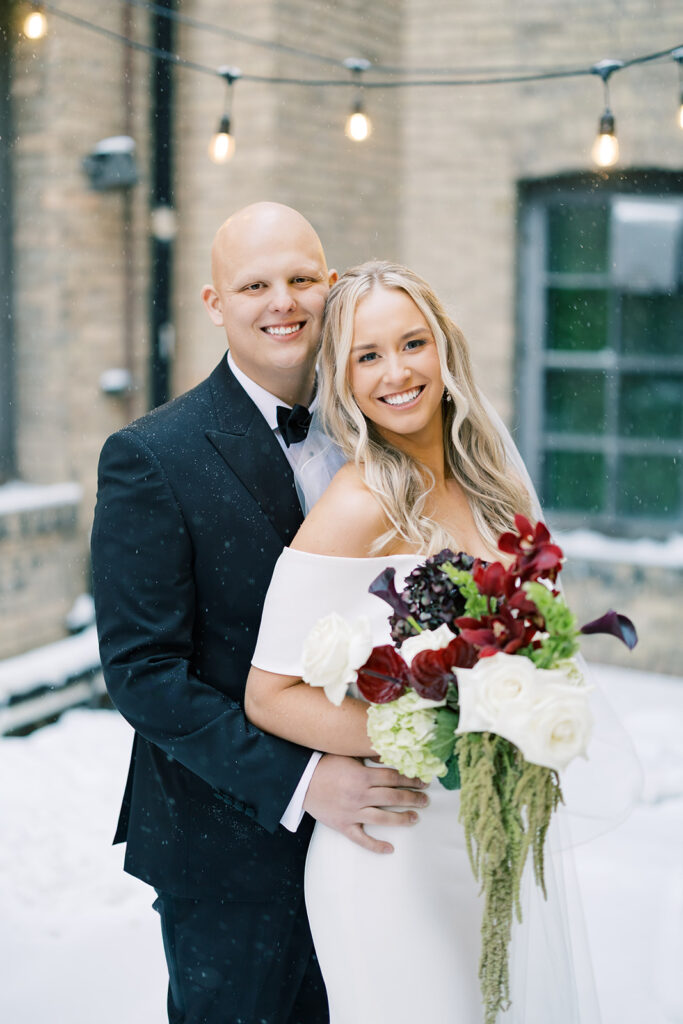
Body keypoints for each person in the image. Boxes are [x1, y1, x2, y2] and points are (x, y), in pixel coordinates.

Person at [245, 261, 618, 1022]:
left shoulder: (494, 489)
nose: (397, 372)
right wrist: (425, 735)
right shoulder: (355, 503)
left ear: (444, 350)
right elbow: (267, 693)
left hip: (487, 833)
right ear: (342, 380)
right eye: (367, 356)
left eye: (411, 343)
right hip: (394, 852)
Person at [90, 207, 429, 1024]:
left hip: (392, 842)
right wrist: (306, 781)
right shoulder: (150, 456)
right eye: (254, 285)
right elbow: (144, 674)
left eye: (301, 279)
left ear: (331, 283)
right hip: (227, 852)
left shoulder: (386, 427)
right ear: (214, 302)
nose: (283, 302)